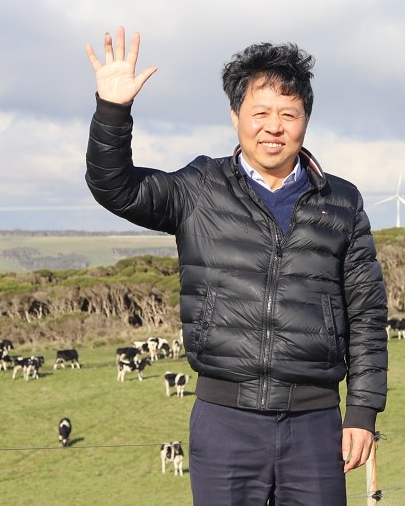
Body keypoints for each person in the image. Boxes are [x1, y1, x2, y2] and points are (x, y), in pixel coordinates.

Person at [85, 26, 388, 506]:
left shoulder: (341, 202)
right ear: (235, 117)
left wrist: (363, 411)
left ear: (306, 119)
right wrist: (112, 110)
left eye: (288, 113)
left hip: (316, 425)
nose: (274, 126)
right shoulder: (200, 188)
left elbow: (368, 313)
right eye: (260, 112)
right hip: (224, 420)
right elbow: (116, 187)